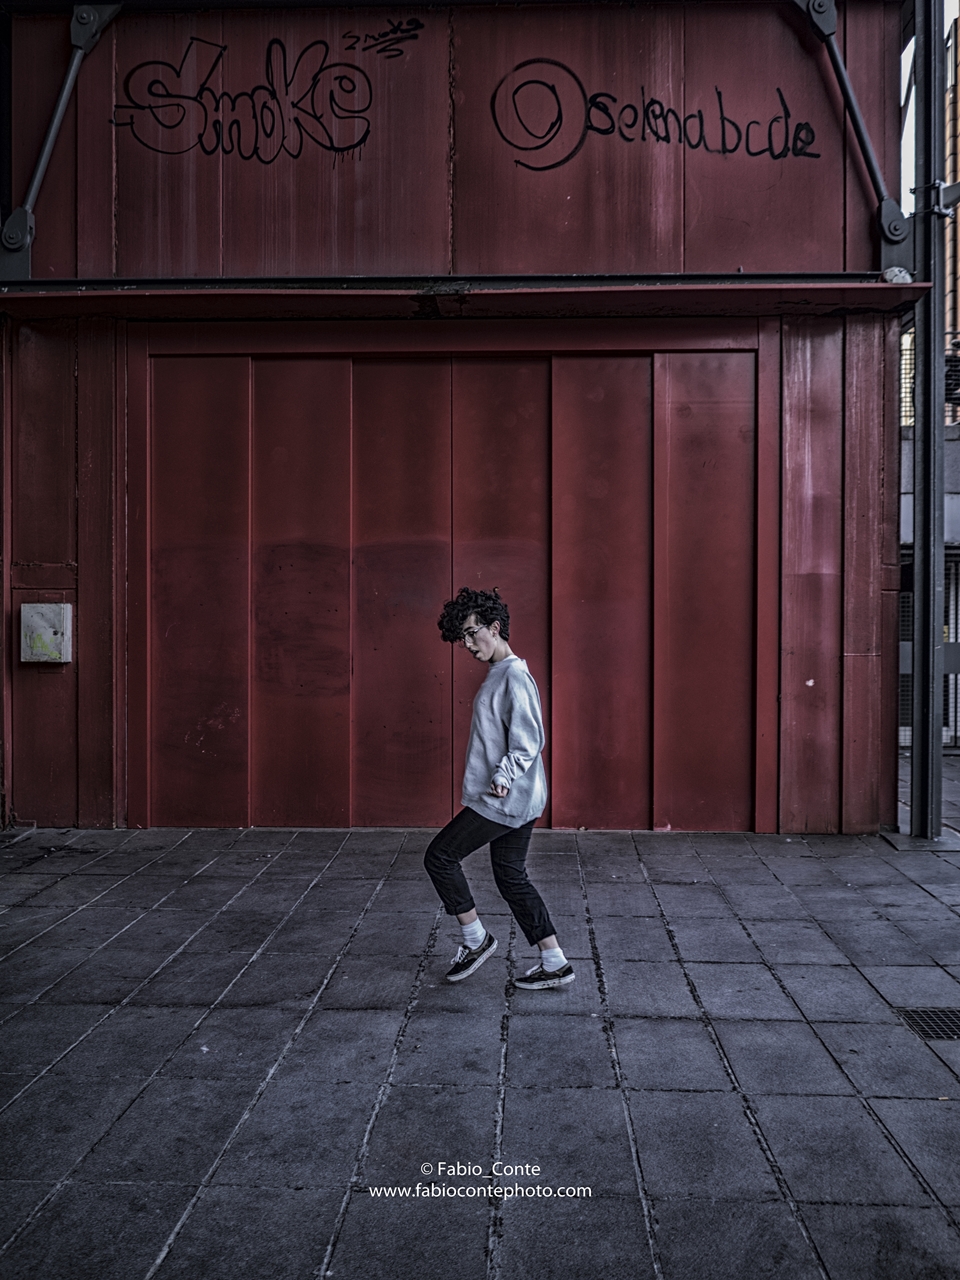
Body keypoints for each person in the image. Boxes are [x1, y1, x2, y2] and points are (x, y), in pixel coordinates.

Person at [424, 587, 575, 990]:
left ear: (495, 627)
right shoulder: (501, 674)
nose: (469, 644)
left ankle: (476, 941)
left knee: (440, 857)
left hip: (503, 798)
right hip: (517, 798)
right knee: (511, 876)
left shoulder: (513, 675)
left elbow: (528, 740)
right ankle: (554, 960)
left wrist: (504, 775)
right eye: (463, 638)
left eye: (474, 633)